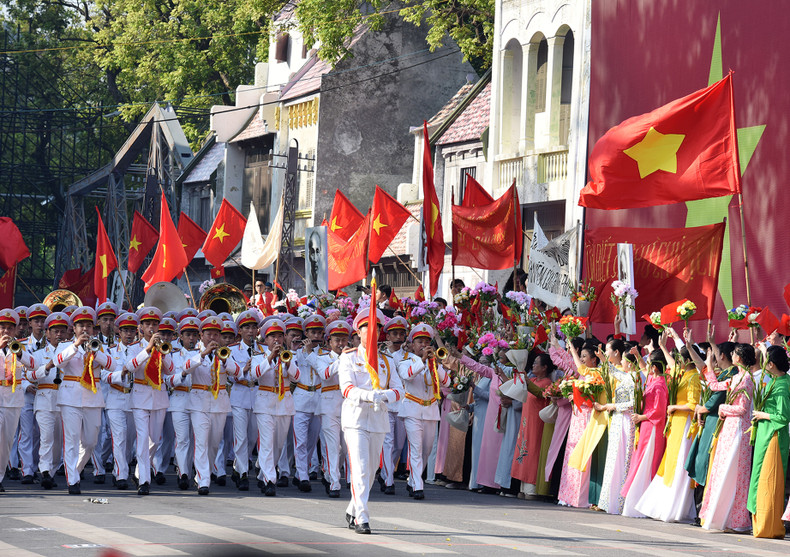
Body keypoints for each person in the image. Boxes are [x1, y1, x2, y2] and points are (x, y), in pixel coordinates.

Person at [338, 307, 403, 534]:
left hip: (377, 419)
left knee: (372, 468)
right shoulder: (348, 357)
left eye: (376, 329)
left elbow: (399, 391)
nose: (372, 333)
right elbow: (346, 388)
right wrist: (368, 395)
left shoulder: (386, 361)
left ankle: (353, 507)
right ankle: (362, 518)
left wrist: (383, 395)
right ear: (359, 331)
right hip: (355, 418)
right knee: (360, 468)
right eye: (367, 329)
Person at [688, 334, 753, 533]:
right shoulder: (736, 377)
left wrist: (723, 408)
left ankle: (735, 520)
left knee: (735, 475)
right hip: (728, 429)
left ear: (739, 358)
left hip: (738, 430)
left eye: (734, 353)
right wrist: (707, 365)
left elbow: (742, 409)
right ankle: (720, 515)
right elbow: (714, 386)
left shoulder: (746, 378)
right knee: (721, 471)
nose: (731, 355)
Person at [51, 306, 114, 495]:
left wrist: (96, 353)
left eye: (88, 326)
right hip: (70, 397)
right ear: (74, 328)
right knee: (71, 441)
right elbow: (58, 362)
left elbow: (113, 364)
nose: (85, 329)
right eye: (81, 326)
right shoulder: (65, 346)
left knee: (90, 442)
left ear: (94, 329)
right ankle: (73, 481)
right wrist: (76, 345)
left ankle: (74, 471)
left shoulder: (99, 346)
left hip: (93, 398)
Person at [180, 316, 239, 495]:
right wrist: (203, 354)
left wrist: (224, 361)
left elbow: (237, 372)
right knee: (201, 442)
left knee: (214, 443)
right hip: (199, 401)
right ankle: (203, 480)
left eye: (216, 334)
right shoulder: (193, 352)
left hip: (219, 402)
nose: (212, 338)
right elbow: (186, 368)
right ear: (201, 335)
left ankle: (208, 470)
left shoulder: (226, 353)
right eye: (209, 334)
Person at [123, 306, 176, 495]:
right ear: (141, 327)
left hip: (159, 396)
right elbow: (129, 367)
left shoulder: (164, 347)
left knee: (154, 440)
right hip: (139, 395)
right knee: (143, 439)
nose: (152, 328)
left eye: (155, 324)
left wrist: (162, 352)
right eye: (148, 324)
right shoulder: (133, 348)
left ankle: (139, 471)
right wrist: (147, 349)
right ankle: (144, 480)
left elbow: (171, 370)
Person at [248, 319, 301, 496]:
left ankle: (264, 473)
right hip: (264, 403)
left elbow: (297, 378)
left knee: (278, 445)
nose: (276, 340)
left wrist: (287, 363)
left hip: (284, 403)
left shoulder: (289, 357)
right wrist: (270, 358)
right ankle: (270, 479)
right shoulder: (257, 356)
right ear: (266, 340)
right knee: (267, 443)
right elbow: (254, 375)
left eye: (279, 336)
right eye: (272, 337)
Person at [397, 323, 448, 500]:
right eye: (419, 342)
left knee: (426, 450)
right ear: (412, 345)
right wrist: (423, 361)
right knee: (416, 448)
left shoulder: (434, 362)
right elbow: (407, 375)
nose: (423, 345)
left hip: (431, 411)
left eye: (426, 341)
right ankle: (418, 485)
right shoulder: (406, 361)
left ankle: (413, 479)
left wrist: (436, 364)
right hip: (412, 409)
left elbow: (447, 382)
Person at [747, 344, 790, 538]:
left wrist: (763, 414)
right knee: (762, 479)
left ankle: (768, 526)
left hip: (773, 437)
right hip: (766, 434)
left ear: (771, 364)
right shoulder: (776, 380)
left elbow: (782, 417)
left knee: (768, 482)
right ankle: (762, 525)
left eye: (766, 362)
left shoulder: (782, 386)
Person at [27, 311, 67, 490]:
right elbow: (29, 375)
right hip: (44, 399)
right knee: (46, 438)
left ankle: (50, 472)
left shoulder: (71, 353)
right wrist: (47, 367)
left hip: (64, 400)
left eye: (62, 331)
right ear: (48, 333)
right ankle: (44, 471)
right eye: (55, 331)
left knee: (58, 442)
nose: (58, 335)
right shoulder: (39, 354)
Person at [312, 320, 353, 498]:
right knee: (332, 445)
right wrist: (343, 358)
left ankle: (340, 475)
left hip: (348, 405)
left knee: (346, 447)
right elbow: (326, 374)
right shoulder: (322, 358)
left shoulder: (353, 357)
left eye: (344, 339)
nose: (341, 343)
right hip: (329, 405)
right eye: (337, 340)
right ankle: (334, 482)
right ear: (329, 342)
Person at [102, 312, 140, 490]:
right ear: (119, 332)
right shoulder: (109, 351)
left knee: (129, 439)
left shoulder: (140, 351)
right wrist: (121, 374)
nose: (129, 334)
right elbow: (104, 375)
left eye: (132, 330)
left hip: (134, 399)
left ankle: (121, 469)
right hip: (115, 399)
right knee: (119, 437)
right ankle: (121, 474)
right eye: (125, 330)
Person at [227, 310, 262, 491]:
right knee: (240, 437)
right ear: (240, 330)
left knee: (251, 438)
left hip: (257, 396)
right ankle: (242, 473)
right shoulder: (232, 350)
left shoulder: (263, 349)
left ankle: (238, 466)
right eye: (246, 327)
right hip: (240, 395)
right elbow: (231, 376)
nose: (250, 331)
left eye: (253, 327)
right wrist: (244, 370)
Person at [511, 353, 554, 497]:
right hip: (525, 422)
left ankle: (532, 486)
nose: (533, 365)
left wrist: (527, 380)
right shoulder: (533, 379)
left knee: (533, 450)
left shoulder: (547, 383)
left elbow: (541, 394)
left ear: (544, 367)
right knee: (523, 448)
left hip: (537, 424)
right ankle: (523, 485)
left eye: (536, 363)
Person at [167, 317, 201, 490]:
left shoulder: (203, 354)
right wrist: (183, 375)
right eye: (188, 335)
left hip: (197, 399)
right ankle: (183, 473)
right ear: (181, 336)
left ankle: (192, 470)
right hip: (179, 399)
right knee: (182, 439)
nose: (192, 339)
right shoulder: (173, 355)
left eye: (195, 335)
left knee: (196, 439)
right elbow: (169, 380)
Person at [379, 316, 409, 494]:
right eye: (394, 334)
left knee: (398, 446)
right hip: (388, 404)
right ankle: (388, 479)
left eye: (401, 334)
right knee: (388, 444)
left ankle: (385, 472)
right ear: (388, 336)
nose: (398, 337)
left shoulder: (409, 356)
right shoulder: (382, 355)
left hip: (403, 406)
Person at [0, 308, 24, 493]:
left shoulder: (21, 347)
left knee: (6, 441)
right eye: (2, 327)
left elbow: (35, 365)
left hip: (13, 399)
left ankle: (0, 476)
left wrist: (20, 353)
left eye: (10, 328)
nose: (6, 332)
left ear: (16, 330)